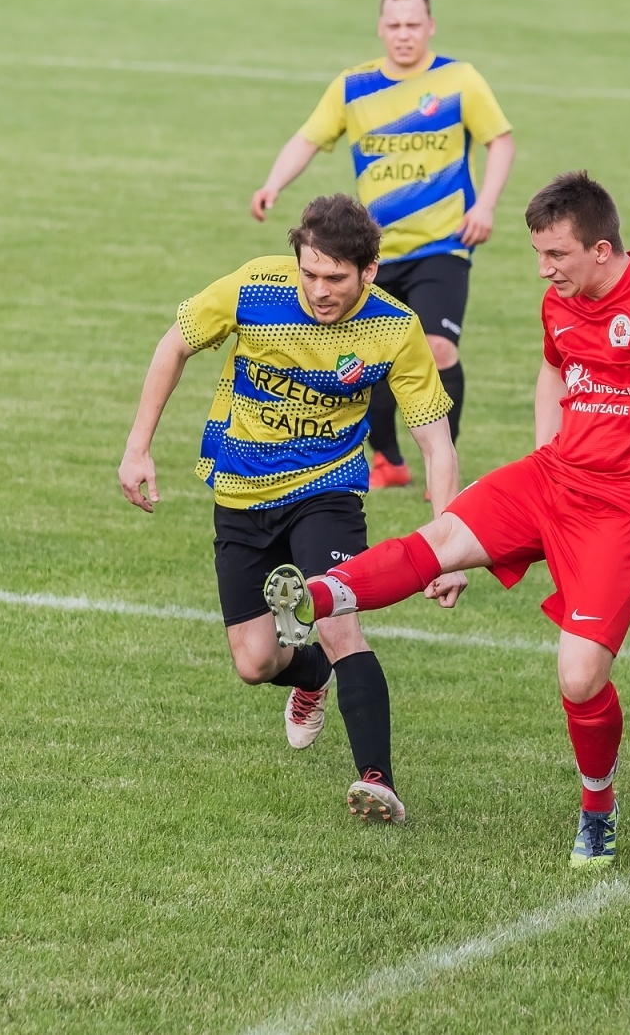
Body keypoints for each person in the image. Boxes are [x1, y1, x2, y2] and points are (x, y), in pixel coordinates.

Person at [263, 172, 630, 866]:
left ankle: (597, 808)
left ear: (602, 251)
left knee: (579, 677)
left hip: (628, 512)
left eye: (556, 255)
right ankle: (308, 597)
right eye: (538, 254)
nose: (544, 269)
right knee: (440, 540)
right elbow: (553, 370)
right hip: (553, 479)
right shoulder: (559, 303)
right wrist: (547, 449)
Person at [119, 194, 458, 825]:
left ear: (370, 271)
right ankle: (310, 674)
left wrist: (447, 546)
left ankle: (376, 780)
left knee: (338, 620)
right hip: (241, 490)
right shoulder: (254, 287)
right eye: (310, 273)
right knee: (254, 663)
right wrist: (137, 449)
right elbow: (174, 345)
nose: (320, 290)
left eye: (336, 278)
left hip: (326, 490)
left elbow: (435, 440)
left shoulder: (395, 328)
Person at [250, 0, 514, 489]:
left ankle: (445, 464)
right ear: (380, 28)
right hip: (371, 254)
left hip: (443, 244)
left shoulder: (459, 79)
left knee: (437, 348)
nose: (404, 34)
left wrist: (485, 205)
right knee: (366, 360)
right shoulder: (354, 86)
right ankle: (389, 459)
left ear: (430, 26)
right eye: (394, 25)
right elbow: (308, 138)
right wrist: (272, 183)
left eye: (413, 24)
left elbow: (499, 142)